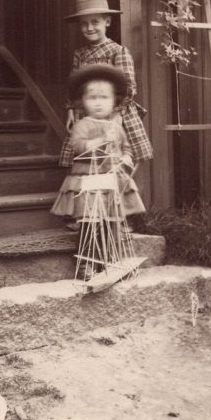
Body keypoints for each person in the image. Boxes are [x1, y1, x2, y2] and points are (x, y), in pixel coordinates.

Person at [58, 0, 152, 231]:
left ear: (107, 22)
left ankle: (119, 214)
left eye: (95, 22)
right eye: (85, 24)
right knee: (86, 165)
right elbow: (74, 87)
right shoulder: (80, 54)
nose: (90, 28)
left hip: (118, 114)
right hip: (87, 115)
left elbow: (129, 87)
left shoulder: (117, 51)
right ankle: (85, 213)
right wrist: (71, 110)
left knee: (120, 165)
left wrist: (116, 116)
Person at [51, 65, 145, 276]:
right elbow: (79, 146)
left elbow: (126, 147)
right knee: (91, 223)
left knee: (111, 223)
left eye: (104, 97)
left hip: (111, 181)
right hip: (89, 181)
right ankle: (87, 263)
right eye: (92, 98)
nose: (98, 102)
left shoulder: (116, 126)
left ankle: (111, 261)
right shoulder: (83, 125)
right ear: (82, 102)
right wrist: (102, 140)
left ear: (114, 102)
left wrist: (126, 158)